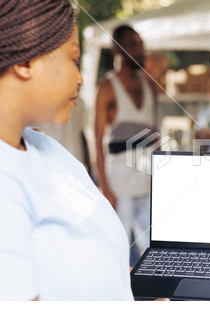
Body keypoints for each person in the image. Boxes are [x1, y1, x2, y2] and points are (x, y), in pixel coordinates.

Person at [0, 0, 132, 300]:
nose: (80, 77)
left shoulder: (48, 150)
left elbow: (97, 254)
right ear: (25, 61)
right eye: (73, 59)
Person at [95, 25, 157, 255]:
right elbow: (97, 141)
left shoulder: (149, 86)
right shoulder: (107, 88)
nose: (140, 49)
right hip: (118, 182)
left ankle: (154, 292)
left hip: (148, 180)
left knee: (151, 247)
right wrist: (105, 187)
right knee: (118, 247)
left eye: (141, 44)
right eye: (133, 44)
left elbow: (155, 137)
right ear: (116, 49)